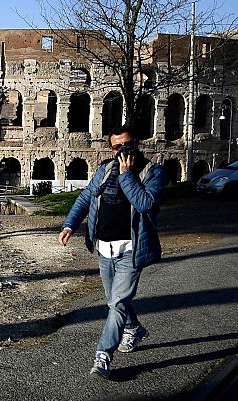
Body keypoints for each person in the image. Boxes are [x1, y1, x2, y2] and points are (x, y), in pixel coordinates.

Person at [58, 125, 165, 379]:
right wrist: (70, 224)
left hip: (131, 250)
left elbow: (145, 203)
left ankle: (103, 356)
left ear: (137, 143)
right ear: (111, 148)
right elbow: (86, 197)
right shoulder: (105, 169)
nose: (122, 150)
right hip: (104, 249)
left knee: (117, 303)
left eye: (127, 144)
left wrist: (128, 175)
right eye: (117, 147)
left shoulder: (153, 172)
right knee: (115, 301)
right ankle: (134, 328)